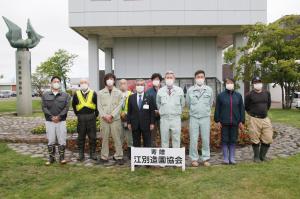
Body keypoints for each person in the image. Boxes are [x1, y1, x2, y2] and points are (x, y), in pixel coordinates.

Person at [214, 78, 245, 165]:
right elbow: (217, 109)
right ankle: (225, 158)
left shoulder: (238, 96)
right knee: (224, 140)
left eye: (231, 82)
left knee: (233, 140)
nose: (229, 84)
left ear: (234, 84)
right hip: (224, 122)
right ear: (225, 84)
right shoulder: (220, 96)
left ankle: (232, 157)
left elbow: (241, 109)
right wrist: (217, 120)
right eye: (227, 83)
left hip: (235, 122)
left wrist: (241, 121)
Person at [186, 70, 213, 167]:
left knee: (205, 139)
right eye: (198, 77)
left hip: (205, 117)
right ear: (195, 78)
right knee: (193, 139)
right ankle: (194, 159)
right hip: (194, 117)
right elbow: (188, 103)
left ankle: (205, 158)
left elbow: (210, 103)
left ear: (204, 78)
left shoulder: (209, 90)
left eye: (202, 77)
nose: (200, 78)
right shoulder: (190, 90)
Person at [42, 76, 70, 165]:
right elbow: (44, 107)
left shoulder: (65, 95)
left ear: (60, 83)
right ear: (51, 83)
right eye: (54, 81)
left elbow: (66, 107)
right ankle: (51, 158)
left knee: (62, 139)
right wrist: (51, 117)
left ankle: (62, 158)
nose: (56, 83)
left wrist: (59, 117)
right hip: (49, 121)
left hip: (61, 121)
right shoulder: (45, 95)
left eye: (58, 81)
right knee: (51, 139)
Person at [97, 73, 124, 165]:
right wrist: (104, 116)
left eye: (111, 79)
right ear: (105, 81)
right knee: (104, 138)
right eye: (108, 79)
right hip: (104, 120)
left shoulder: (119, 92)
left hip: (115, 119)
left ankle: (119, 156)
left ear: (114, 80)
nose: (110, 80)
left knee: (117, 138)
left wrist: (112, 115)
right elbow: (99, 106)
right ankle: (104, 156)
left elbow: (120, 106)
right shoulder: (100, 93)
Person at [245, 76, 273, 163]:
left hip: (265, 118)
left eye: (259, 82)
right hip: (254, 119)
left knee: (268, 138)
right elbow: (246, 107)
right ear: (253, 84)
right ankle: (256, 157)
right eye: (255, 82)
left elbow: (268, 105)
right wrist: (252, 114)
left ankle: (263, 156)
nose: (258, 84)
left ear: (261, 83)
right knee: (255, 138)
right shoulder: (249, 95)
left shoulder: (267, 93)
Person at [156, 71, 185, 148]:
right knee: (164, 139)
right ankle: (165, 158)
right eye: (167, 77)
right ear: (165, 79)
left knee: (176, 139)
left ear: (174, 79)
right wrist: (163, 111)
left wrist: (176, 111)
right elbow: (158, 104)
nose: (169, 79)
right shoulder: (160, 91)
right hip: (164, 118)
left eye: (171, 77)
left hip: (175, 118)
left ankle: (175, 157)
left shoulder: (179, 90)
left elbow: (182, 104)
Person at [72, 79, 99, 161]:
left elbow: (97, 105)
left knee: (93, 137)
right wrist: (78, 115)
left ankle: (92, 153)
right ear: (79, 84)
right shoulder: (76, 94)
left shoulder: (93, 93)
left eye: (85, 82)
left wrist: (95, 115)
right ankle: (81, 154)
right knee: (81, 137)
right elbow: (74, 105)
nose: (83, 84)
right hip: (81, 117)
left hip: (91, 117)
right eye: (82, 83)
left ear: (88, 84)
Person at [127, 79, 155, 148]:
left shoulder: (149, 97)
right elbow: (129, 111)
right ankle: (137, 157)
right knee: (136, 143)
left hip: (146, 124)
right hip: (135, 124)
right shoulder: (131, 97)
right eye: (138, 85)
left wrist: (152, 123)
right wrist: (129, 123)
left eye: (141, 85)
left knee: (147, 142)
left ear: (144, 86)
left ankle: (147, 156)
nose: (140, 86)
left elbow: (152, 111)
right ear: (135, 86)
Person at [146, 73, 163, 147]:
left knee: (164, 135)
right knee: (152, 136)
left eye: (157, 79)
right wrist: (153, 111)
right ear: (152, 81)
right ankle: (153, 150)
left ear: (160, 81)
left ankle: (164, 150)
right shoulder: (148, 92)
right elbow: (146, 105)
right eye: (154, 79)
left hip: (163, 117)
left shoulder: (164, 90)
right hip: (152, 118)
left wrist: (161, 111)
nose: (156, 81)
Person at [119, 79, 133, 159]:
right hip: (118, 118)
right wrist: (120, 113)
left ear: (127, 84)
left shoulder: (131, 94)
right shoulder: (116, 94)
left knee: (129, 137)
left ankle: (130, 153)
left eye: (124, 83)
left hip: (128, 119)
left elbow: (133, 107)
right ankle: (119, 154)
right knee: (119, 137)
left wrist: (126, 113)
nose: (122, 85)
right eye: (121, 83)